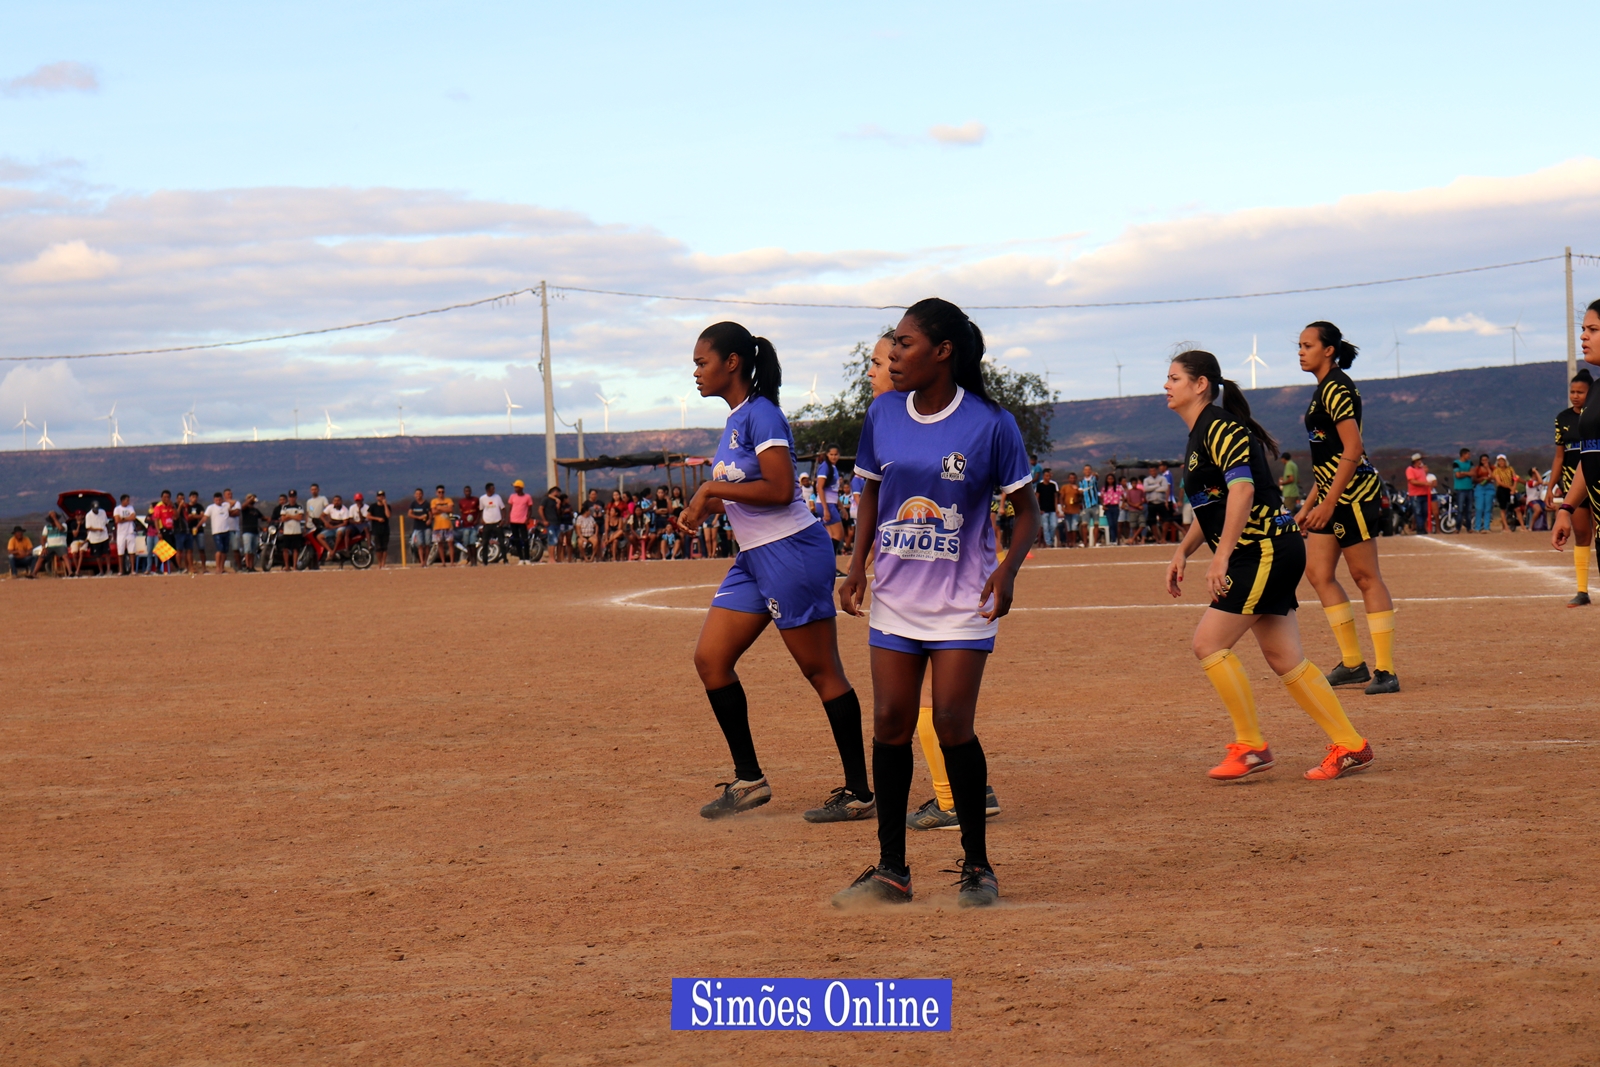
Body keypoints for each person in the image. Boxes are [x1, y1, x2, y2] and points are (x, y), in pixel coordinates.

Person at [830, 297, 1037, 909]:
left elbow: (1027, 515)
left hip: (960, 601)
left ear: (943, 352)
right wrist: (856, 565)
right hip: (895, 597)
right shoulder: (882, 415)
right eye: (892, 343)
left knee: (951, 723)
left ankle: (977, 865)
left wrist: (1008, 569)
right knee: (891, 724)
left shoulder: (990, 423)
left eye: (905, 343)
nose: (893, 354)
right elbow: (869, 495)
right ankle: (892, 869)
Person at [674, 320, 874, 827]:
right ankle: (749, 780)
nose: (695, 372)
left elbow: (782, 489)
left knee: (821, 672)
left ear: (732, 362)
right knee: (710, 660)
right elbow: (751, 490)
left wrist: (709, 492)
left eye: (702, 362)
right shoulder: (736, 417)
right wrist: (708, 507)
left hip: (790, 552)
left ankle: (859, 792)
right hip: (754, 557)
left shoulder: (762, 415)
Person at [1163, 348, 1375, 785]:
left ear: (1201, 384)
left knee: (1208, 644)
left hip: (1261, 549)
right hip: (1264, 548)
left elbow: (1242, 491)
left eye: (1174, 378)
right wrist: (1184, 549)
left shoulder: (1219, 427)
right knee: (1284, 657)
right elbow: (1214, 506)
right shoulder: (1200, 432)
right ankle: (1350, 744)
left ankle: (1250, 745)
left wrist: (1220, 556)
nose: (1166, 386)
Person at [1295, 321, 1400, 695]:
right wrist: (1307, 506)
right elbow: (1325, 460)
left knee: (1365, 576)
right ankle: (1353, 663)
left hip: (1353, 494)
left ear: (1329, 350)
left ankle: (1385, 670)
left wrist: (1328, 502)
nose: (1300, 351)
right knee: (1318, 573)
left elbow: (1352, 449)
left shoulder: (1338, 387)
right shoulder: (1321, 390)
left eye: (1307, 345)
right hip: (1330, 495)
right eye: (1299, 345)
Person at [1551, 369, 1595, 604]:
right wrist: (1550, 488)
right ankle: (1582, 591)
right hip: (1573, 486)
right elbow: (1559, 457)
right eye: (1572, 392)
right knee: (1581, 534)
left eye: (1580, 392)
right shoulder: (1563, 418)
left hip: (1596, 482)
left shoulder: (1594, 417)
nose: (1575, 396)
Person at [815, 446, 846, 555]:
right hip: (826, 504)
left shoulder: (833, 468)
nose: (834, 457)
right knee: (838, 534)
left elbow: (833, 492)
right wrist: (826, 509)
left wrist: (842, 508)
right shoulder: (825, 467)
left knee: (831, 535)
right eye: (831, 454)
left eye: (836, 454)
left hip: (831, 503)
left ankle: (830, 564)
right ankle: (830, 562)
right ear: (827, 455)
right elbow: (820, 487)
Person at [203, 491, 235, 573]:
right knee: (219, 549)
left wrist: (224, 500)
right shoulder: (211, 507)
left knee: (225, 550)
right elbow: (205, 517)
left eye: (219, 500)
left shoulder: (225, 506)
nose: (218, 501)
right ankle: (217, 567)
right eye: (216, 500)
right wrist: (198, 526)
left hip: (226, 530)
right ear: (214, 500)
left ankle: (222, 567)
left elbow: (233, 502)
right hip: (217, 531)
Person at [274, 490, 306, 570]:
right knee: (285, 549)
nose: (292, 499)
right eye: (291, 497)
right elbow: (283, 518)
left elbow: (300, 518)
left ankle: (295, 566)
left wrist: (289, 516)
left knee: (295, 549)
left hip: (296, 531)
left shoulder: (299, 506)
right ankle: (287, 565)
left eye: (293, 497)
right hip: (287, 531)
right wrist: (293, 516)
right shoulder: (284, 507)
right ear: (289, 498)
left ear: (296, 497)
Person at [1490, 455, 1520, 531]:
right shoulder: (1497, 470)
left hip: (1511, 489)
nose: (1501, 462)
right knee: (1503, 509)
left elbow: (1515, 478)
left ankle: (1522, 526)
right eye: (1499, 461)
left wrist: (1514, 487)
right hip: (1502, 490)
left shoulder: (1510, 469)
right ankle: (1505, 527)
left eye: (1502, 460)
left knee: (1517, 508)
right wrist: (1510, 487)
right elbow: (1499, 482)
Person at [507, 480, 534, 562]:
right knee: (516, 539)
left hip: (522, 521)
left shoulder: (527, 497)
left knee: (525, 539)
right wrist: (509, 518)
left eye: (516, 487)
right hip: (513, 520)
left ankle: (527, 558)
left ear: (521, 488)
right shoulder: (512, 496)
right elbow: (511, 508)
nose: (515, 489)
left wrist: (527, 518)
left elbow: (529, 509)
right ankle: (521, 558)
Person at [1404, 453, 1431, 533]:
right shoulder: (1410, 469)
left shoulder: (1421, 469)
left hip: (1424, 494)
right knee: (1418, 512)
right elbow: (1412, 481)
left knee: (1424, 512)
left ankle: (1422, 527)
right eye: (1419, 460)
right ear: (1415, 461)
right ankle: (1420, 529)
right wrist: (1424, 484)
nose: (1421, 462)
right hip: (1415, 495)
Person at [84, 499, 112, 576]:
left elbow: (106, 523)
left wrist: (109, 532)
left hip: (104, 536)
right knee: (97, 555)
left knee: (107, 553)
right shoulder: (88, 515)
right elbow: (88, 527)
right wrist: (97, 529)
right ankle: (101, 571)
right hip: (95, 538)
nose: (96, 511)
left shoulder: (103, 512)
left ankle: (108, 569)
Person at [113, 494, 139, 574]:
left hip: (130, 532)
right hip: (121, 533)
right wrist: (128, 518)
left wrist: (123, 518)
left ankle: (132, 570)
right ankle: (121, 570)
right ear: (122, 500)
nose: (128, 502)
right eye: (127, 500)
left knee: (132, 551)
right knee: (120, 552)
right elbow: (117, 520)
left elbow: (133, 517)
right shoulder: (117, 509)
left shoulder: (131, 508)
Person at [239, 494, 265, 571]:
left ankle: (251, 566)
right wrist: (249, 500)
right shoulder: (245, 509)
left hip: (255, 532)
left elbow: (262, 517)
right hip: (247, 531)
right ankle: (247, 566)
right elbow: (242, 507)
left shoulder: (256, 510)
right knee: (247, 550)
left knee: (253, 550)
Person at [1035, 468, 1059, 548]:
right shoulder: (1039, 485)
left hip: (1052, 509)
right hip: (1043, 510)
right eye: (1046, 476)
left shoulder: (1053, 485)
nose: (1048, 477)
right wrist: (1038, 509)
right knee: (1045, 527)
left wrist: (1056, 508)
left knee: (1053, 525)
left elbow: (1055, 497)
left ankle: (1051, 540)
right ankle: (1048, 543)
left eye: (1049, 476)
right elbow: (1037, 497)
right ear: (1043, 476)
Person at [366, 491, 391, 568]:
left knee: (385, 547)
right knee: (378, 547)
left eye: (383, 496)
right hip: (376, 529)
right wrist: (377, 519)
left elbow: (388, 515)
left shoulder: (388, 506)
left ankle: (383, 562)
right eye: (379, 496)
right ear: (377, 497)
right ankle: (379, 563)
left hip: (385, 529)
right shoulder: (373, 506)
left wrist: (385, 505)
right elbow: (368, 516)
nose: (381, 497)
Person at [407, 488, 430, 565]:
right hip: (417, 526)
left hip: (427, 527)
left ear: (422, 495)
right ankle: (421, 561)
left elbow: (430, 514)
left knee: (427, 544)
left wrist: (429, 520)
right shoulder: (413, 504)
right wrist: (418, 517)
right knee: (420, 544)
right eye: (416, 494)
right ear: (414, 495)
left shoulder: (426, 503)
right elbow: (409, 514)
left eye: (419, 494)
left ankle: (426, 560)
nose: (418, 495)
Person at [458, 486, 480, 564]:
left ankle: (475, 560)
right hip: (465, 526)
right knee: (467, 544)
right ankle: (470, 559)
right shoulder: (461, 502)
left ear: (471, 491)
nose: (467, 492)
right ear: (464, 492)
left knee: (473, 543)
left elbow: (479, 511)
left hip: (473, 526)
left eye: (469, 491)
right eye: (466, 491)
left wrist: (477, 520)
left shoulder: (476, 500)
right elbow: (462, 512)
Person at [1061, 472, 1084, 547]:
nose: (1072, 479)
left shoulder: (1078, 488)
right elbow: (1061, 498)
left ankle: (1074, 542)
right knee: (1068, 527)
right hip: (1067, 510)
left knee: (1074, 526)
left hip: (1075, 510)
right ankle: (1069, 542)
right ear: (1068, 479)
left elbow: (1081, 498)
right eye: (1071, 478)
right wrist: (1062, 507)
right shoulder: (1065, 487)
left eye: (1074, 478)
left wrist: (1078, 497)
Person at [1101, 474, 1122, 545]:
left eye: (1111, 479)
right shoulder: (1104, 488)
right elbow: (1101, 497)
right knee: (1111, 523)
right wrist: (1103, 505)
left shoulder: (1118, 488)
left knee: (1115, 523)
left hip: (1115, 507)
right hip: (1108, 507)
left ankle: (1116, 539)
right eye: (1109, 479)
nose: (1110, 480)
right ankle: (1112, 539)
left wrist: (1123, 504)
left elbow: (1124, 497)